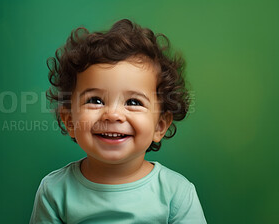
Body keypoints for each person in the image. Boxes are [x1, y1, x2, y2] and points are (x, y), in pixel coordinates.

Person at [29, 19, 207, 224]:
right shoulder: (54, 191)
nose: (113, 115)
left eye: (133, 102)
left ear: (160, 125)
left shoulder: (176, 194)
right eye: (95, 100)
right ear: (69, 121)